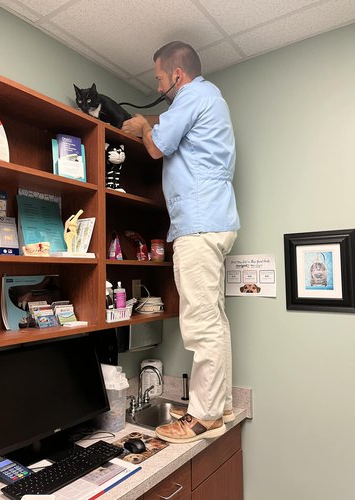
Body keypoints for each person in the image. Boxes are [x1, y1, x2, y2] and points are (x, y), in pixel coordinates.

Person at [122, 41, 240, 444]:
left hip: (199, 224)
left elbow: (155, 147)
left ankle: (203, 416)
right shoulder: (207, 99)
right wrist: (151, 119)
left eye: (158, 78)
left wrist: (141, 128)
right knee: (215, 321)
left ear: (176, 76)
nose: (158, 84)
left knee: (200, 324)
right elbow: (168, 122)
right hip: (215, 220)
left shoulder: (193, 95)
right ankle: (219, 405)